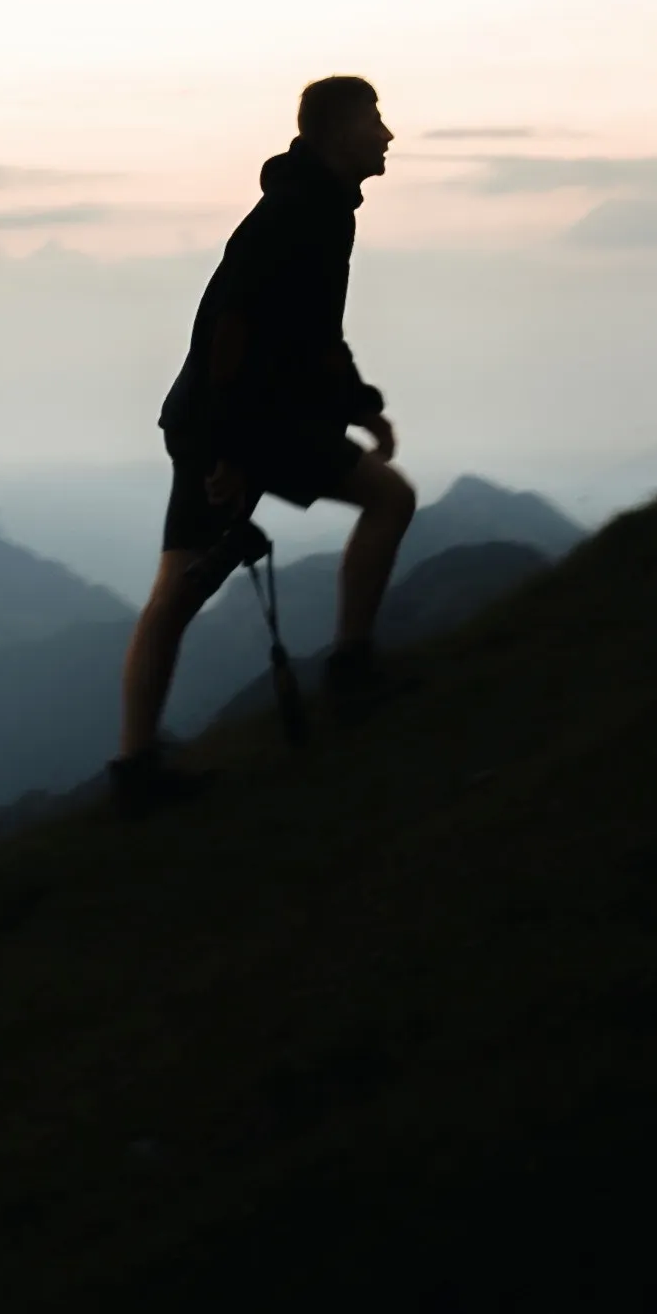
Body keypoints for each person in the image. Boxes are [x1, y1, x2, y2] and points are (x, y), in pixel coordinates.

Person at [113, 76, 420, 812]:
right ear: (337, 131)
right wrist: (223, 451)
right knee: (387, 500)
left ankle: (134, 771)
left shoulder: (318, 209)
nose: (387, 135)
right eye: (375, 120)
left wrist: (358, 406)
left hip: (244, 423)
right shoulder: (296, 212)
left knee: (180, 589)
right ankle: (349, 672)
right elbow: (230, 331)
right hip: (239, 428)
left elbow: (312, 335)